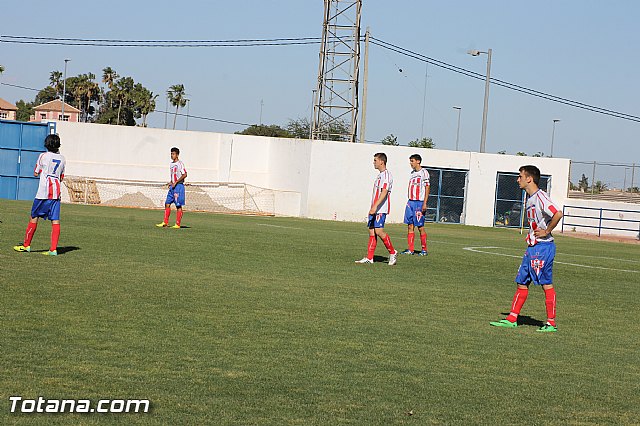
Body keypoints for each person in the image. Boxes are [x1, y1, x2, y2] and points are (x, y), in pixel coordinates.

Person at [490, 165, 563, 332]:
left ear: (529, 179)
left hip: (543, 247)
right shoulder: (529, 198)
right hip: (532, 247)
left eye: (520, 176)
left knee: (546, 284)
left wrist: (546, 231)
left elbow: (557, 213)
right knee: (521, 282)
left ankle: (551, 323)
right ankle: (512, 318)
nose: (518, 180)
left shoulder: (541, 197)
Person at [13, 134, 66, 256]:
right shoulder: (63, 158)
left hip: (43, 192)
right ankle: (53, 249)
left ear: (46, 144)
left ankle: (26, 246)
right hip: (56, 193)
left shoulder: (43, 156)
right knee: (55, 220)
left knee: (34, 216)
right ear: (58, 145)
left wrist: (42, 171)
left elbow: (36, 173)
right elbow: (61, 177)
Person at [355, 152, 399, 266]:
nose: (373, 162)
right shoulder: (380, 175)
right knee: (371, 231)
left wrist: (375, 207)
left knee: (379, 231)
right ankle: (369, 258)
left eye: (375, 160)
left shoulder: (387, 175)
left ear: (381, 161)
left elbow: (384, 192)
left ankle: (393, 252)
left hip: (380, 209)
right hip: (374, 208)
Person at [400, 154, 430, 256]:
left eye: (412, 161)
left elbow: (427, 188)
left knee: (420, 226)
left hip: (419, 202)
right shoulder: (412, 173)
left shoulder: (424, 172)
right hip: (410, 202)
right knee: (410, 225)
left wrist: (425, 203)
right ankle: (410, 249)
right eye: (410, 161)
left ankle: (424, 250)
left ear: (418, 161)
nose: (411, 163)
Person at [156, 147, 187, 229]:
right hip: (172, 187)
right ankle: (165, 222)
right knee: (167, 203)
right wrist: (171, 181)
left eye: (173, 154)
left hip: (178, 187)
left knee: (178, 206)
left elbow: (185, 174)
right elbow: (174, 175)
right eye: (171, 153)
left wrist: (176, 182)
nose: (172, 155)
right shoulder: (171, 164)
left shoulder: (180, 164)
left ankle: (177, 224)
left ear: (177, 155)